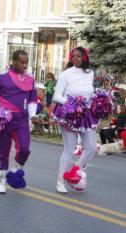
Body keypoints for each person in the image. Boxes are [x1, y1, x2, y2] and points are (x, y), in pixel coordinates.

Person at [0, 50, 38, 193]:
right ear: (13, 61)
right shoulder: (2, 77)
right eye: (22, 62)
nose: (25, 65)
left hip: (21, 119)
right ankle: (1, 180)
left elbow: (33, 99)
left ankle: (15, 170)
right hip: (4, 119)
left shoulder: (30, 79)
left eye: (26, 62)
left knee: (25, 149)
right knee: (3, 151)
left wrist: (32, 115)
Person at [53, 47, 98, 193]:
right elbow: (56, 96)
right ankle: (60, 182)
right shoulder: (66, 74)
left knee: (91, 146)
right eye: (74, 56)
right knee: (69, 148)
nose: (76, 58)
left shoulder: (90, 73)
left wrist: (97, 100)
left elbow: (89, 93)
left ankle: (74, 171)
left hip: (85, 113)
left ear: (84, 57)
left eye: (79, 56)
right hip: (68, 113)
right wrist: (71, 103)